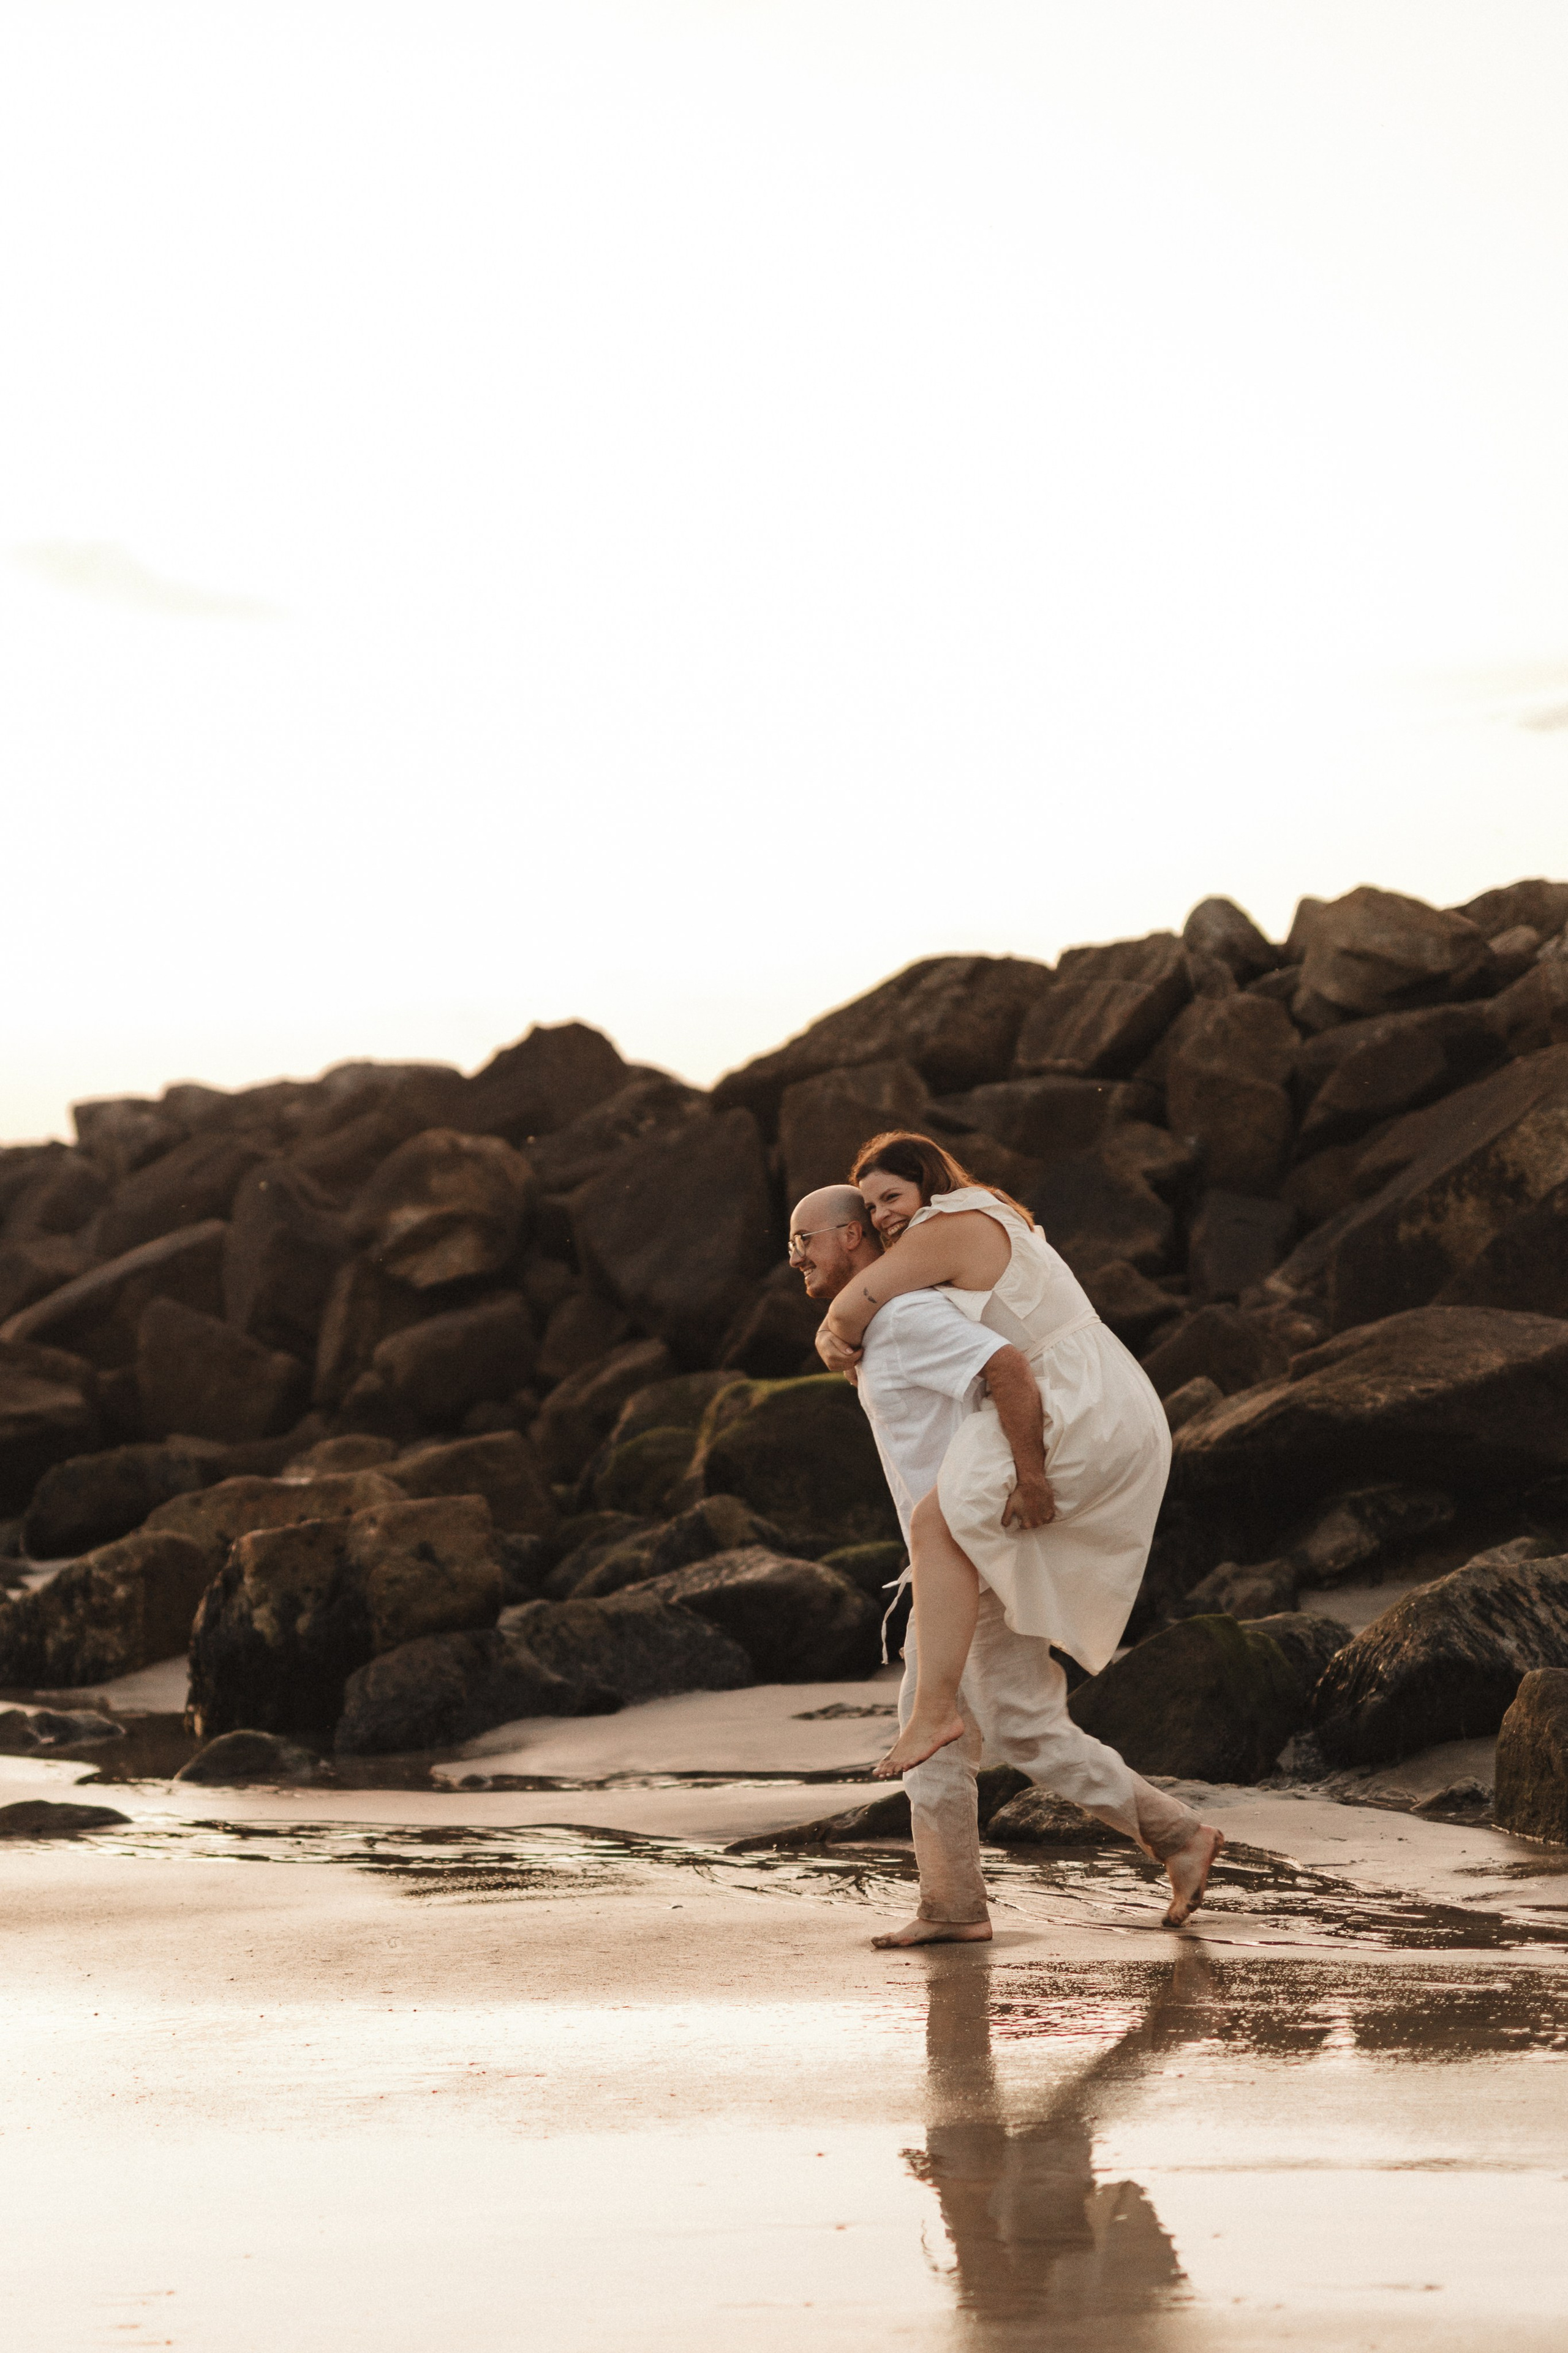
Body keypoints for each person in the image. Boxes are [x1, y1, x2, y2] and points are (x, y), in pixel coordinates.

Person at [791, 1152, 1222, 1941]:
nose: (795, 1258)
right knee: (947, 1725)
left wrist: (1030, 1479)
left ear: (849, 1238)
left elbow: (1009, 1369)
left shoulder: (905, 1316)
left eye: (803, 1240)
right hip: (952, 1557)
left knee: (1016, 1725)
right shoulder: (893, 1316)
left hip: (974, 1553)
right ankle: (953, 1905)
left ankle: (1176, 1836)